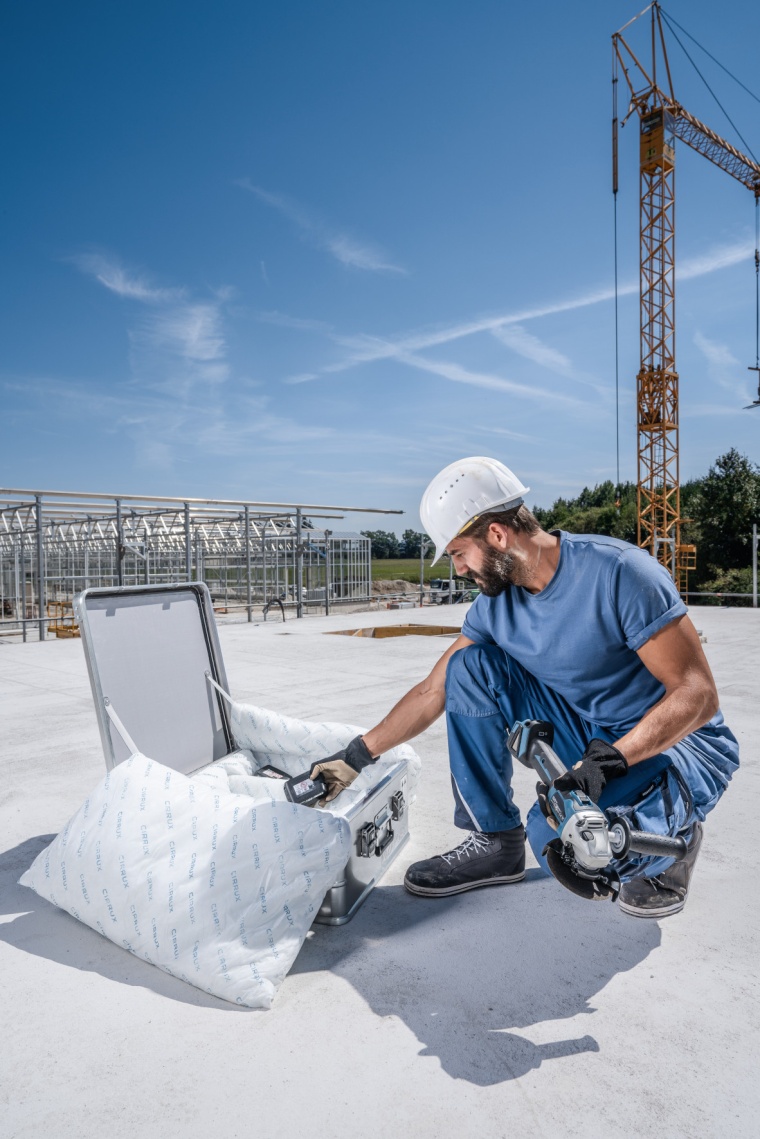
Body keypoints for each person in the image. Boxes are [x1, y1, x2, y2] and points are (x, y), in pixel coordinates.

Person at [310, 457, 739, 918]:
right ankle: (495, 840)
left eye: (458, 553)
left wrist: (607, 762)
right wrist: (357, 755)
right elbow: (433, 690)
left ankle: (673, 839)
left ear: (496, 534)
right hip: (592, 732)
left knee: (579, 845)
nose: (457, 570)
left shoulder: (620, 573)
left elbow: (697, 694)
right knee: (468, 668)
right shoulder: (496, 607)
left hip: (678, 745)